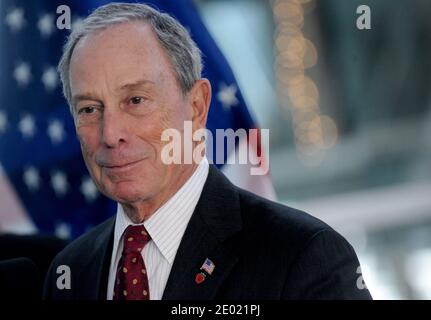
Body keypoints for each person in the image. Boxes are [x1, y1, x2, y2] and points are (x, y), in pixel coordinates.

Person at [43, 3, 372, 300]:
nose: (111, 134)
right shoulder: (71, 271)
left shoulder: (303, 257)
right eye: (88, 109)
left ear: (197, 106)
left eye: (135, 101)